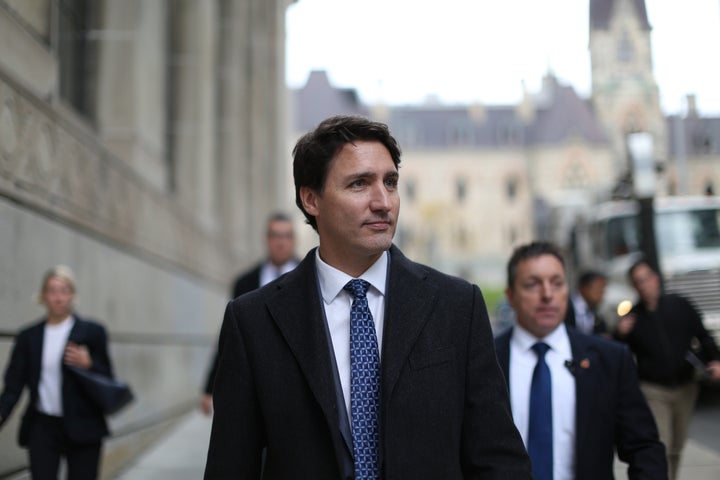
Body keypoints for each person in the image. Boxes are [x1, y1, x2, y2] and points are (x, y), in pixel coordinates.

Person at [204, 115, 531, 479]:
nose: (383, 202)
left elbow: (498, 458)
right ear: (311, 199)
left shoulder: (456, 306)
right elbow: (229, 467)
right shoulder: (254, 320)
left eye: (390, 183)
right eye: (359, 184)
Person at [495, 242, 667, 480]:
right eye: (532, 284)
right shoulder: (485, 360)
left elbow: (644, 448)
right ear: (511, 296)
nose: (547, 295)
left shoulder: (609, 360)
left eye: (557, 283)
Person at [0, 266, 115, 480]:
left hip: (84, 425)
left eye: (64, 290)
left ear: (72, 295)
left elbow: (108, 378)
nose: (58, 297)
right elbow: (14, 384)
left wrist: (89, 363)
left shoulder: (92, 332)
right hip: (43, 426)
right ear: (43, 296)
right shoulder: (29, 336)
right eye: (52, 291)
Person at [615, 258, 720, 479]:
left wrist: (714, 360)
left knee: (676, 445)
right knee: (660, 443)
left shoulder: (680, 305)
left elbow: (703, 336)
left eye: (646, 279)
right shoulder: (633, 318)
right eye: (637, 282)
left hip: (685, 385)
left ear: (655, 279)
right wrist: (619, 334)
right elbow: (620, 356)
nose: (643, 285)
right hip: (653, 389)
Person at [199, 213, 298, 415]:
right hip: (256, 383)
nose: (281, 242)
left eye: (286, 236)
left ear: (293, 240)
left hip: (297, 384)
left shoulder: (311, 278)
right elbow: (230, 335)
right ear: (267, 239)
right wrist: (210, 387)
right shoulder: (245, 283)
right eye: (275, 236)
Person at [565, 270, 609, 336]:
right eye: (598, 288)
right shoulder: (566, 308)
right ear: (584, 288)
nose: (602, 294)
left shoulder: (596, 316)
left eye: (603, 289)